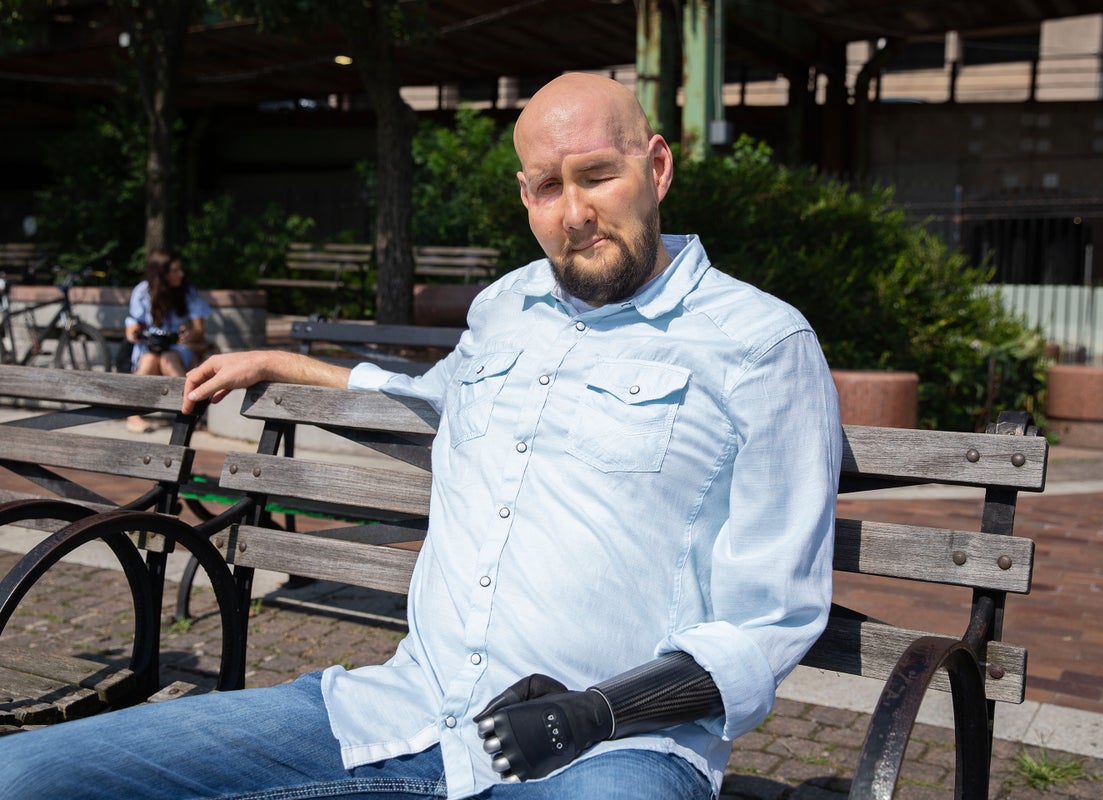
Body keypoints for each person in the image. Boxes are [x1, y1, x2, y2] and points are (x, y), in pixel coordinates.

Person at [0, 73, 841, 800]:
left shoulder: (762, 345)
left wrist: (600, 709)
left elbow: (771, 617)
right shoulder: (506, 308)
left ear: (656, 168)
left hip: (613, 754)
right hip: (401, 711)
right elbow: (431, 396)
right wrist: (284, 363)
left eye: (599, 176)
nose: (576, 213)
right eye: (548, 187)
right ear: (524, 197)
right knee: (26, 778)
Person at [123, 249, 211, 432]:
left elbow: (199, 330)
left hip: (179, 348)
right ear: (162, 273)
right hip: (149, 348)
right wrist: (134, 333)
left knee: (167, 358)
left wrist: (188, 334)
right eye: (175, 270)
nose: (181, 274)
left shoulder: (188, 292)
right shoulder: (142, 291)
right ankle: (134, 417)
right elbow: (132, 323)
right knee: (150, 359)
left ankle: (188, 411)